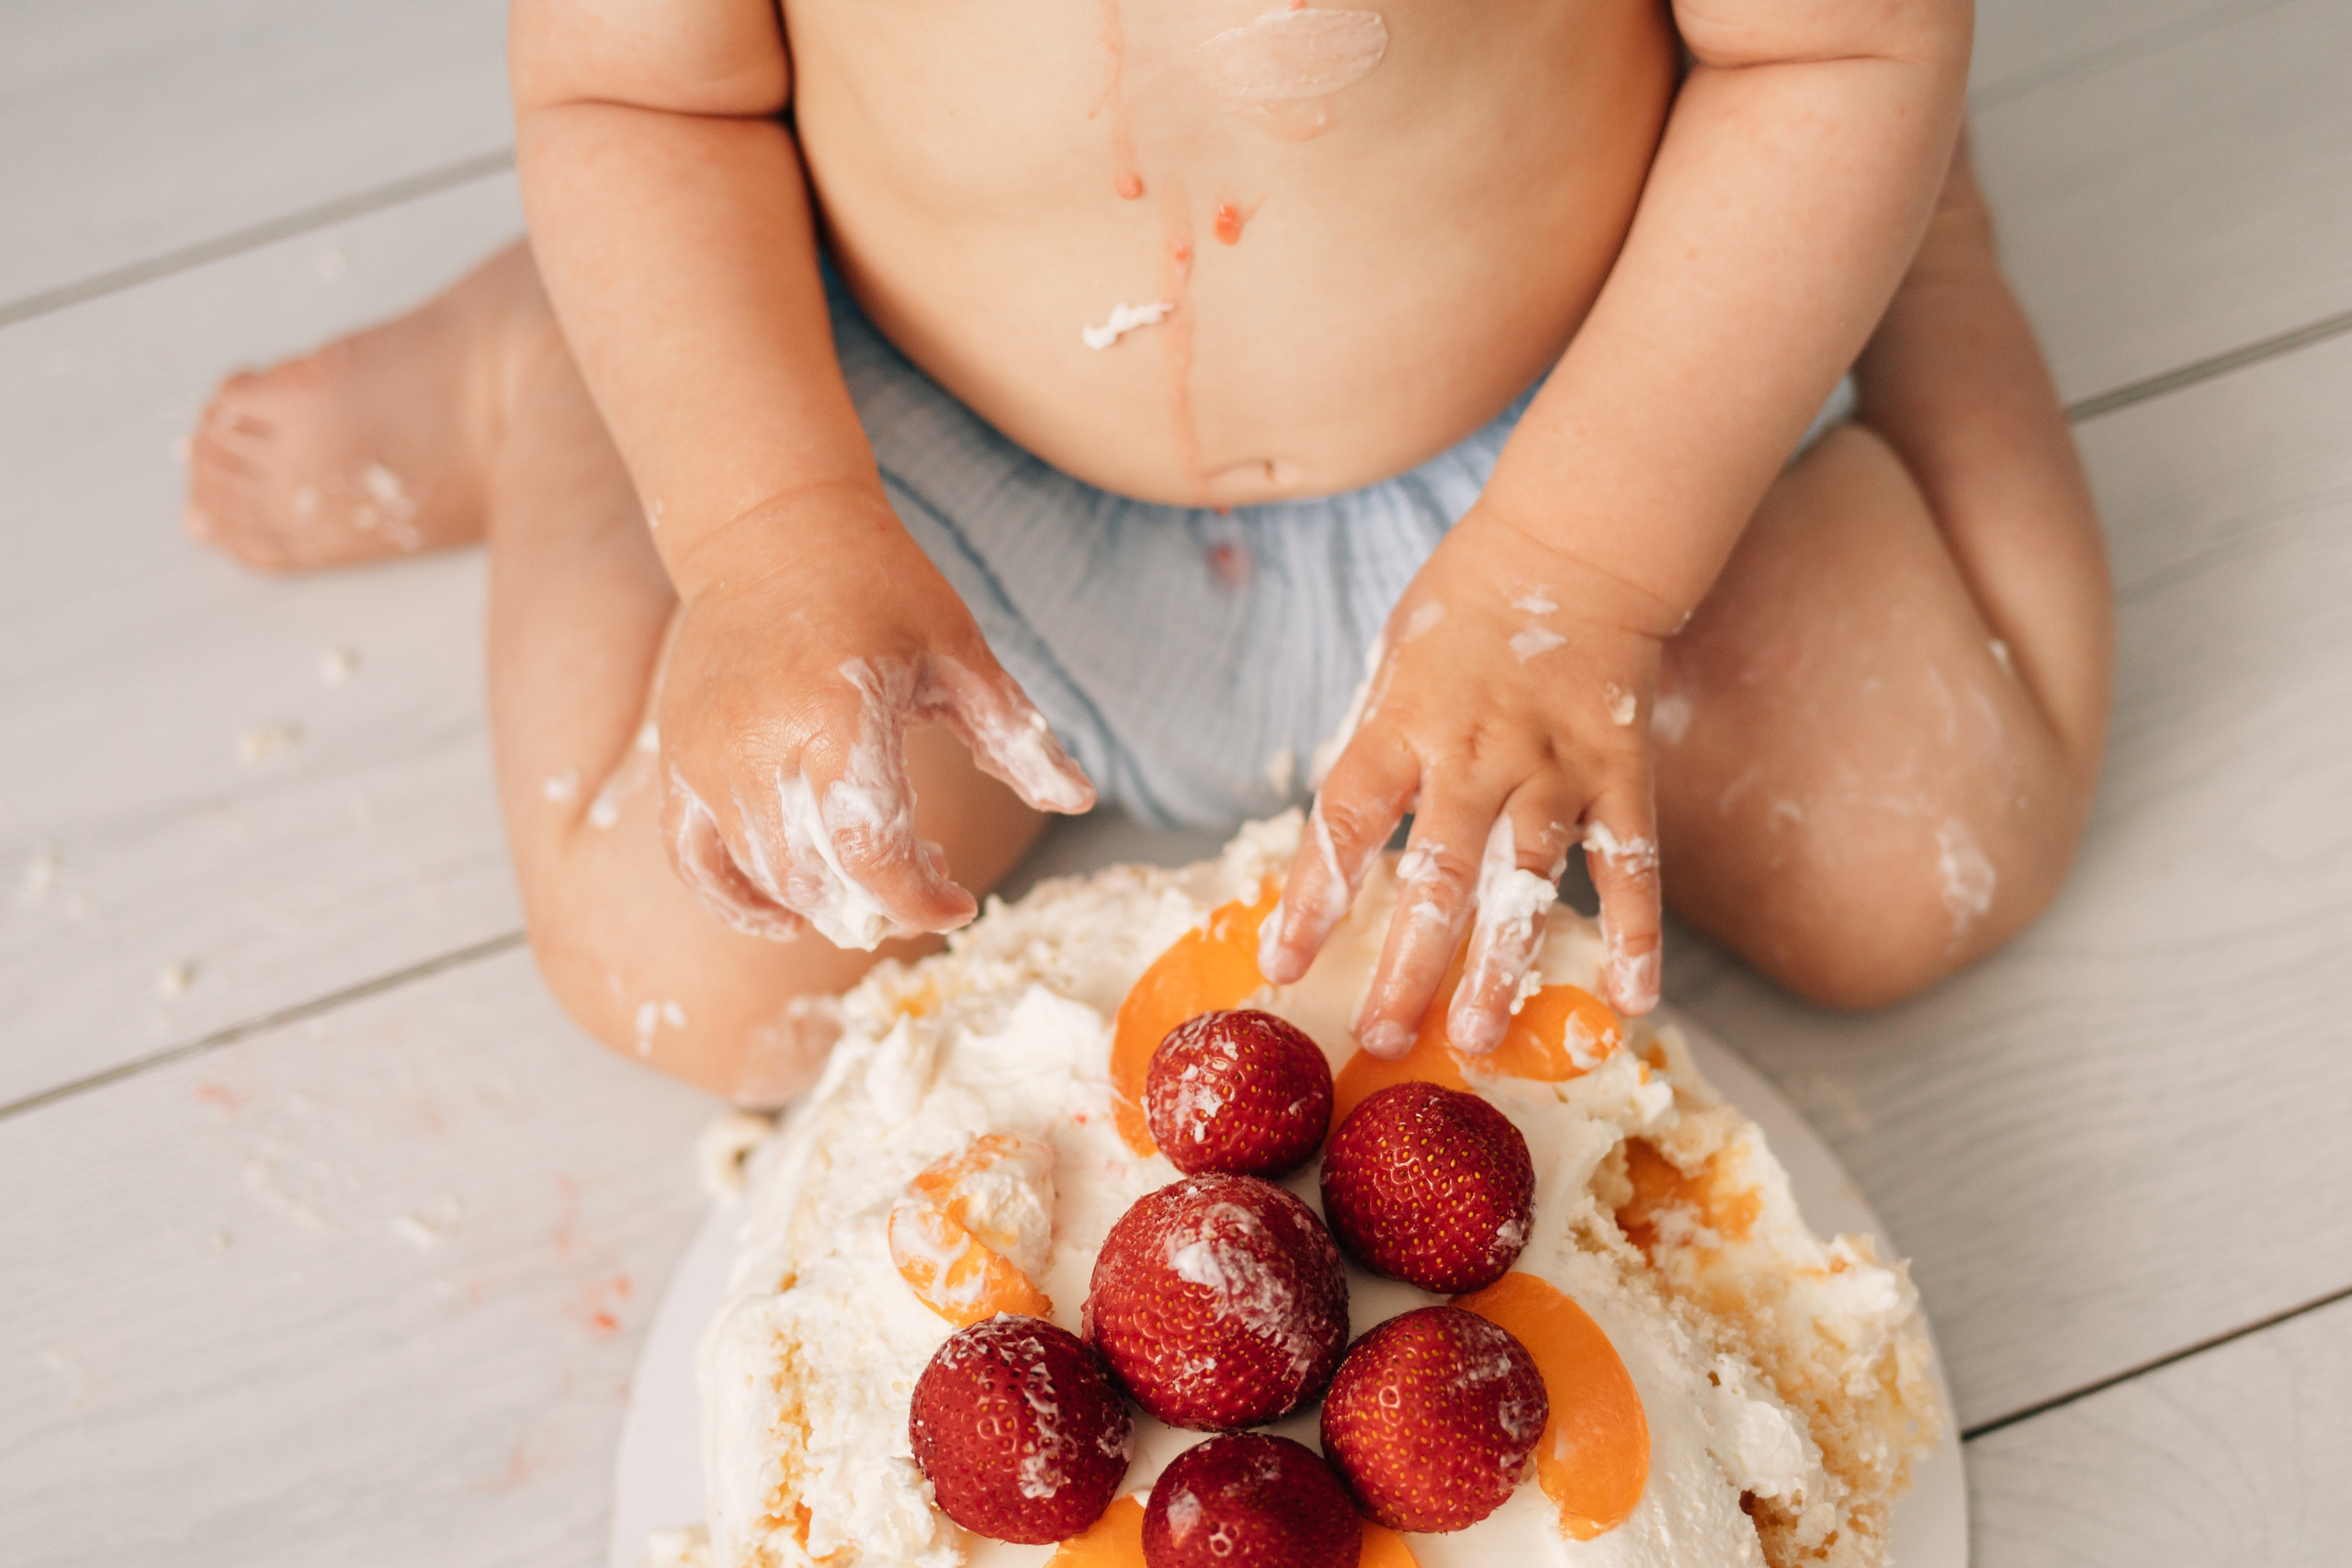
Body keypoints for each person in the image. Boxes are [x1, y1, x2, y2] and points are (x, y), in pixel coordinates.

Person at [185, 0, 2111, 1105]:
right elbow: (639, 90)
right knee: (679, 961)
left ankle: (1915, 246)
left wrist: (1586, 563)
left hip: (1592, 404)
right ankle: (555, 374)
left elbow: (1832, 44)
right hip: (911, 459)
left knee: (1933, 853)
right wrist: (764, 530)